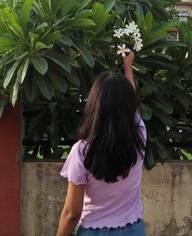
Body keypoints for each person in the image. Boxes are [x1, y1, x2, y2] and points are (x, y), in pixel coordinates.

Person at [57, 51, 147, 236]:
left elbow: (71, 214)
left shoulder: (82, 151)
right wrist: (128, 67)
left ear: (94, 105)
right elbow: (131, 102)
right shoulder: (139, 135)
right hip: (133, 230)